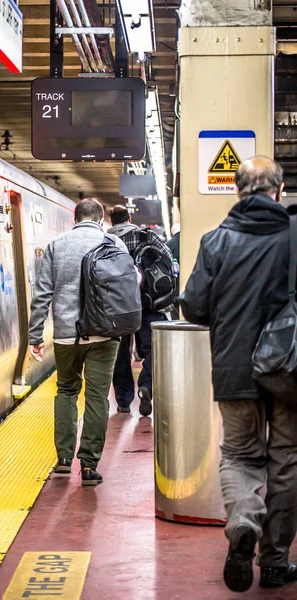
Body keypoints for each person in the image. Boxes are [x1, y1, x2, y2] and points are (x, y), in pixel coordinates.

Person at [179, 157, 297, 592]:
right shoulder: (294, 236)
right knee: (287, 459)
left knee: (241, 455)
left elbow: (193, 307)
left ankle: (244, 523)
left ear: (237, 190)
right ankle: (275, 562)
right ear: (279, 191)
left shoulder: (216, 242)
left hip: (234, 368)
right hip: (289, 368)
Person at [28, 198, 126, 486]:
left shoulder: (57, 246)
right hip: (104, 334)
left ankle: (62, 459)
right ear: (100, 219)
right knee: (97, 397)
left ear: (75, 217)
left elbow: (42, 294)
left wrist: (35, 336)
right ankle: (88, 465)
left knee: (67, 391)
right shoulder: (113, 245)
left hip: (66, 335)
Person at [108, 205, 171, 417]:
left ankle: (123, 400)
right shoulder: (145, 235)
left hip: (118, 306)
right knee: (153, 348)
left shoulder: (106, 241)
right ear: (129, 217)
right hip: (148, 303)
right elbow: (169, 259)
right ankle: (146, 385)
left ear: (111, 221)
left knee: (120, 353)